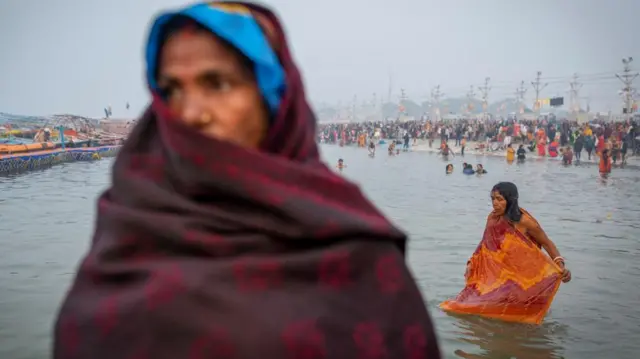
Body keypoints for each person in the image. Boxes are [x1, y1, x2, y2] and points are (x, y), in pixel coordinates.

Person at [52, 3, 441, 358]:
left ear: (273, 99)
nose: (190, 113)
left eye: (217, 84)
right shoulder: (128, 225)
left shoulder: (355, 251)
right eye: (171, 89)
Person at [440, 182, 571, 324]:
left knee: (522, 320)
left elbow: (547, 243)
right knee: (463, 307)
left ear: (511, 200)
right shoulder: (493, 218)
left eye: (499, 199)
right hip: (500, 278)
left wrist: (560, 266)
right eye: (492, 199)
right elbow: (486, 244)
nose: (495, 203)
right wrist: (474, 261)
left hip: (522, 279)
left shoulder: (525, 222)